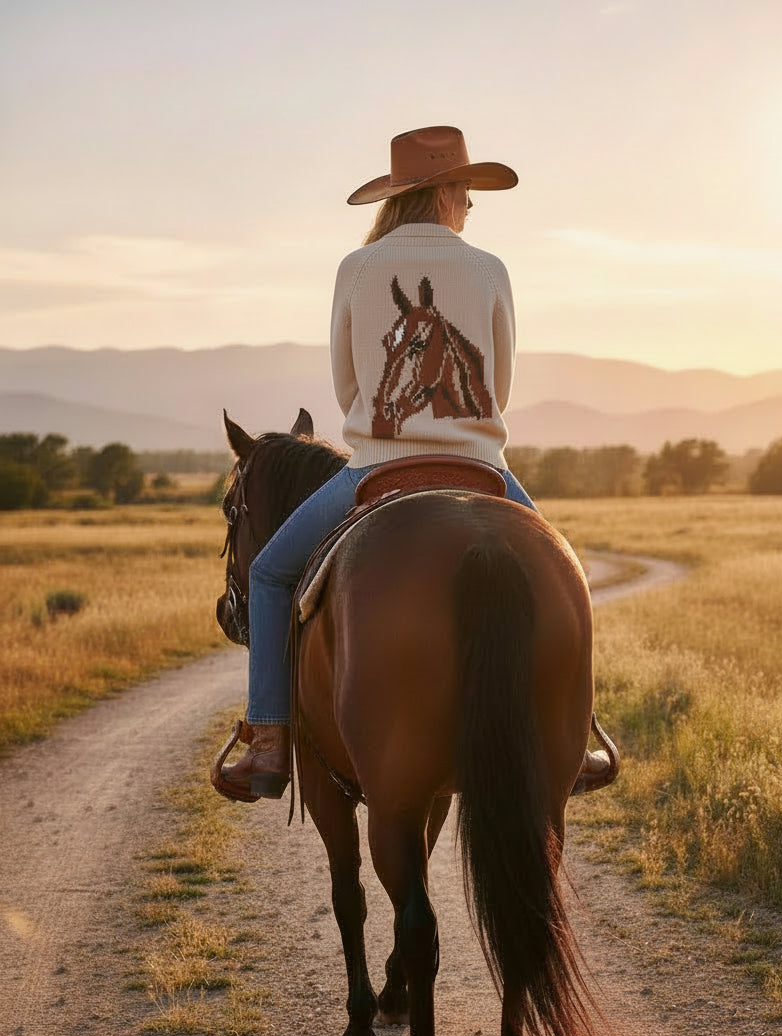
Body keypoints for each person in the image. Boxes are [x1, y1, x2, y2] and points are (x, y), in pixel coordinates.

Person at [221, 125, 611, 798]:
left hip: (372, 469)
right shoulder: (490, 268)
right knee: (563, 577)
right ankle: (574, 739)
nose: (469, 208)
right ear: (449, 190)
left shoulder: (356, 267)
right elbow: (502, 380)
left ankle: (268, 740)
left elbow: (348, 383)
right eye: (467, 193)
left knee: (269, 574)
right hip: (482, 467)